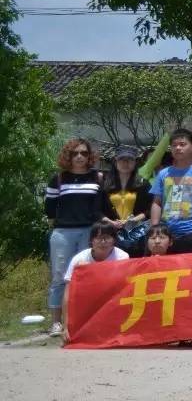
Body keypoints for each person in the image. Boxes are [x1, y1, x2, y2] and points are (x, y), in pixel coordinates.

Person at [45, 139, 112, 337]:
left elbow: (102, 207)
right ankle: (56, 322)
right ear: (68, 156)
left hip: (90, 231)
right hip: (63, 232)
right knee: (60, 276)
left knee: (90, 275)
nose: (80, 157)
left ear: (89, 156)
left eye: (83, 153)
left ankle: (87, 319)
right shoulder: (57, 179)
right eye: (75, 153)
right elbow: (49, 209)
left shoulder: (98, 177)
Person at [149, 127, 192, 254]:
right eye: (174, 145)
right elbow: (157, 202)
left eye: (182, 144)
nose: (178, 148)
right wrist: (155, 228)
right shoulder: (163, 173)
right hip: (166, 234)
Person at [103, 146, 153, 256]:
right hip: (112, 232)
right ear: (115, 162)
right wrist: (111, 222)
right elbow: (97, 210)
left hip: (137, 233)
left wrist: (134, 220)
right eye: (122, 159)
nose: (126, 163)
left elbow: (150, 208)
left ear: (135, 162)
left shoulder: (143, 184)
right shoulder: (105, 184)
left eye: (130, 160)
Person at [63, 221, 129, 288]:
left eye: (107, 238)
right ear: (92, 240)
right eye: (99, 238)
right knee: (82, 265)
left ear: (114, 240)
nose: (103, 242)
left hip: (112, 294)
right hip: (87, 293)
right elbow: (69, 286)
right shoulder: (79, 258)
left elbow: (125, 286)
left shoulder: (122, 258)